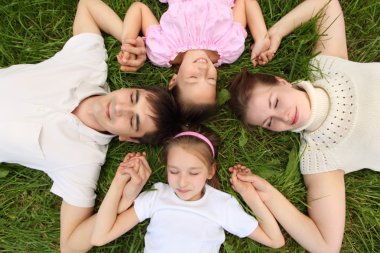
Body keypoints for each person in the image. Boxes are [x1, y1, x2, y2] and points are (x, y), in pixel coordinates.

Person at [0, 0, 181, 252]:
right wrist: (129, 39)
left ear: (129, 139)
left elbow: (71, 245)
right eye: (132, 98)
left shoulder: (83, 162)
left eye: (132, 120)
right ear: (129, 88)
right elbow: (88, 6)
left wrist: (124, 197)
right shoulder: (89, 66)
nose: (119, 108)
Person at [229, 0, 379, 252]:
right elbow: (326, 246)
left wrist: (275, 33)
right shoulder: (319, 158)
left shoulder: (327, 68)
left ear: (281, 81)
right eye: (269, 122)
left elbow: (327, 4)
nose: (284, 117)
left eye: (275, 102)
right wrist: (269, 195)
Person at [91, 130, 285, 251]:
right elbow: (100, 237)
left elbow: (275, 240)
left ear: (210, 171)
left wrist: (249, 195)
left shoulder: (221, 205)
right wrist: (119, 181)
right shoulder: (157, 196)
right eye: (174, 171)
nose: (182, 182)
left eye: (193, 173)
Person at [118, 0, 270, 122]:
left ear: (174, 80)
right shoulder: (229, 46)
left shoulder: (162, 50)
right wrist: (261, 38)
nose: (203, 70)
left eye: (193, 78)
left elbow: (138, 9)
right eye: (210, 79)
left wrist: (128, 43)